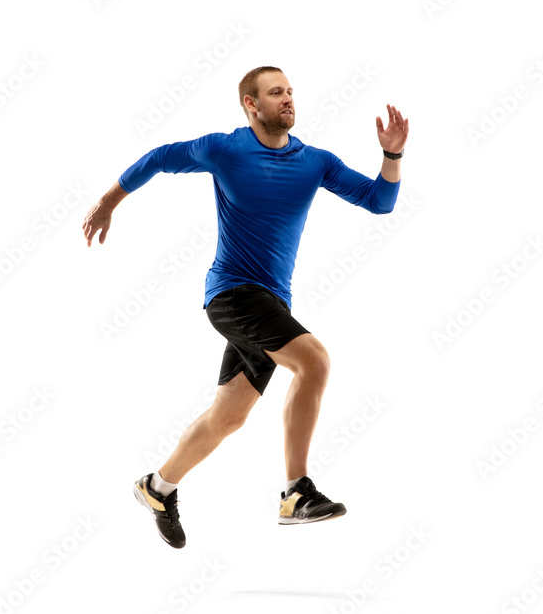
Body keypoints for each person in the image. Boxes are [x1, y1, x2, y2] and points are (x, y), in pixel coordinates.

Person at [82, 66, 408, 549]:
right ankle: (296, 493)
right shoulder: (225, 149)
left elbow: (379, 201)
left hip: (272, 300)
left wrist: (392, 154)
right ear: (251, 105)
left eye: (291, 91)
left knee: (229, 416)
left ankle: (158, 486)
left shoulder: (315, 161)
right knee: (314, 360)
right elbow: (158, 158)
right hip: (232, 294)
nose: (289, 99)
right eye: (277, 93)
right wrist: (110, 200)